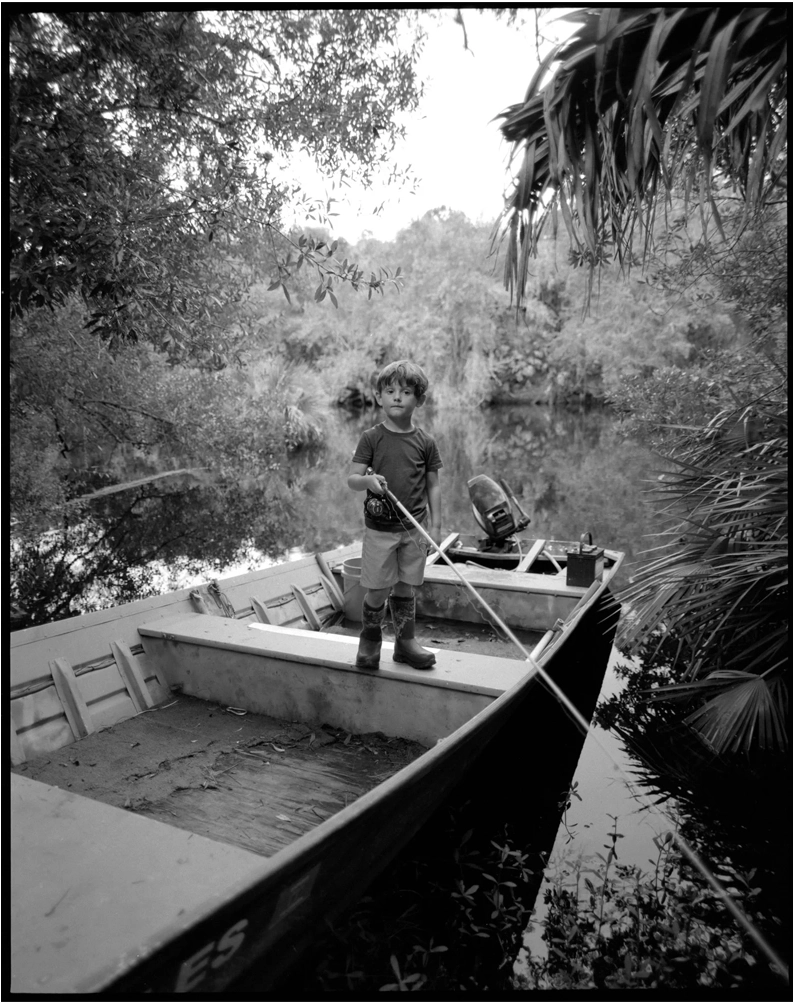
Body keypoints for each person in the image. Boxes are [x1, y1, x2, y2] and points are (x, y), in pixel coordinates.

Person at [347, 360, 443, 670]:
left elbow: (434, 486)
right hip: (379, 530)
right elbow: (353, 479)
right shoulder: (371, 438)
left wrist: (436, 528)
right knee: (376, 590)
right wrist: (369, 482)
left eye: (405, 391)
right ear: (379, 397)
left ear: (420, 400)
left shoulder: (425, 442)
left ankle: (405, 644)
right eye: (390, 391)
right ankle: (370, 641)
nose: (397, 397)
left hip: (414, 529)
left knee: (405, 588)